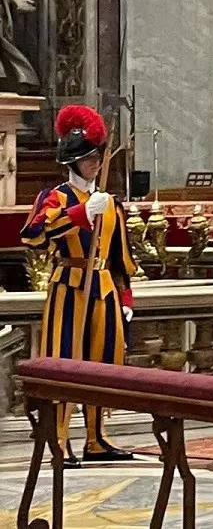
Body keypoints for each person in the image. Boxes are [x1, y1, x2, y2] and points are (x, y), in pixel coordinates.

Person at [21, 105, 137, 466]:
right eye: (88, 158)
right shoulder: (55, 198)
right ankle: (59, 438)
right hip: (69, 287)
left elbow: (121, 257)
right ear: (71, 162)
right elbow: (34, 235)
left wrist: (126, 295)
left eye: (97, 156)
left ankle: (96, 439)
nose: (96, 163)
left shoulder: (110, 203)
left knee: (102, 365)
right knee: (66, 362)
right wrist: (79, 216)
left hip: (103, 288)